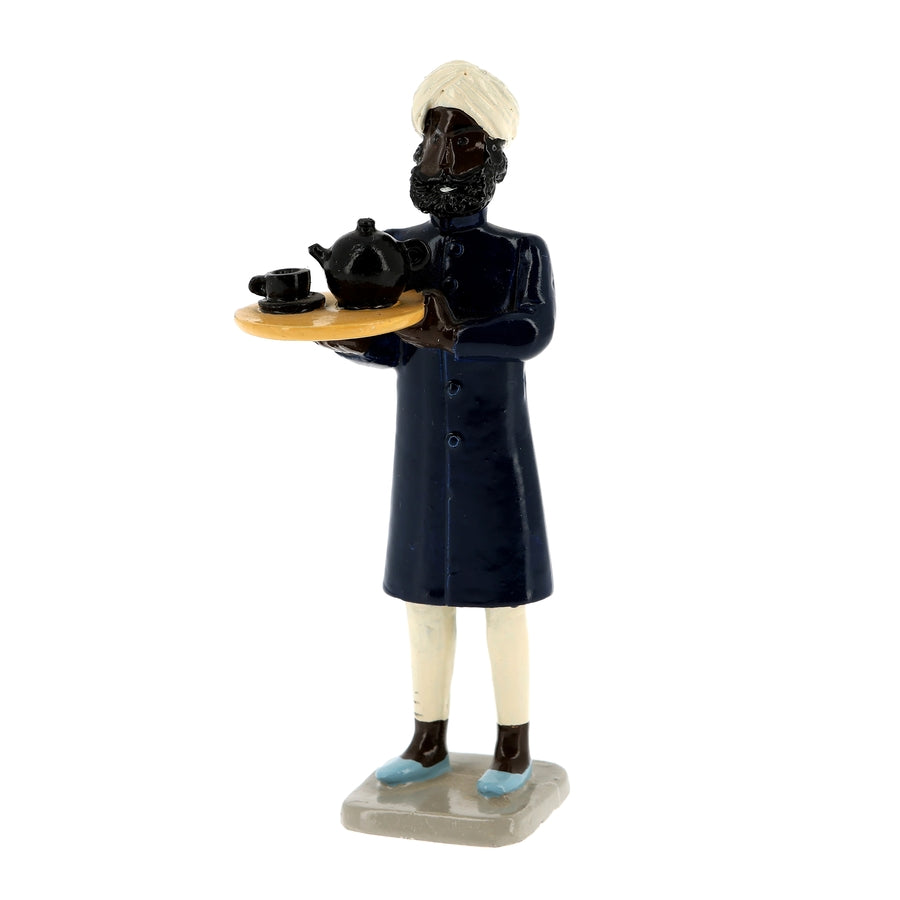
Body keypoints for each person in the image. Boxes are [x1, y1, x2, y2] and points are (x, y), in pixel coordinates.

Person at [321, 61, 555, 797]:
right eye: (431, 139)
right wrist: (334, 334)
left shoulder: (520, 251)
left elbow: (532, 332)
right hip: (423, 457)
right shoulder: (396, 248)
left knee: (503, 606)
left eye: (461, 141)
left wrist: (456, 334)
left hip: (494, 457)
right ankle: (428, 740)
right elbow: (391, 344)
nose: (441, 158)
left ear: (493, 160)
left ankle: (513, 745)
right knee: (424, 603)